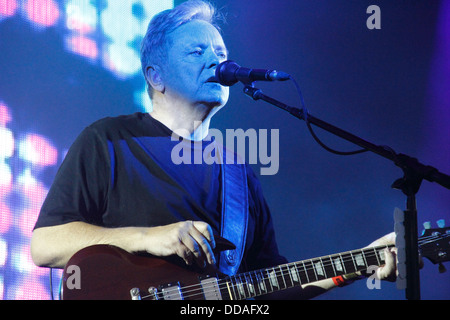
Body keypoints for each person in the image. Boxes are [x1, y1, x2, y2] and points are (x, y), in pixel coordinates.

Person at [31, 0, 397, 299]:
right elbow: (45, 245)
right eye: (196, 51)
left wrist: (358, 265)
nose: (216, 61)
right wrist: (147, 238)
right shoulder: (110, 140)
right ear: (155, 76)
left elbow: (266, 287)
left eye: (220, 51)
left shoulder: (237, 173)